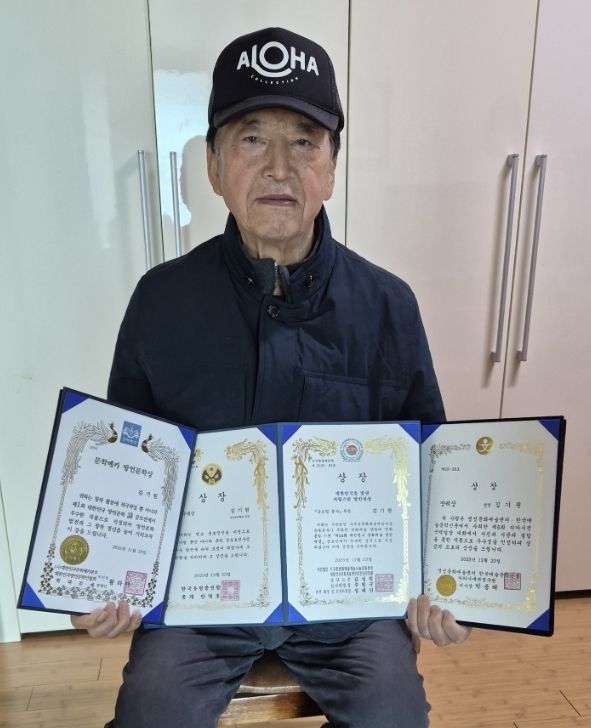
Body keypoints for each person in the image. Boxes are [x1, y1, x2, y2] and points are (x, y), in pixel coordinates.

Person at [71, 27, 471, 728]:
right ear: (213, 164)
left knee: (393, 715)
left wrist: (451, 587)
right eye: (252, 139)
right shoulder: (161, 301)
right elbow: (123, 465)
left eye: (305, 142)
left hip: (349, 605)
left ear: (332, 167)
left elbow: (436, 469)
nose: (279, 167)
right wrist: (99, 576)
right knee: (151, 711)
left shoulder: (388, 305)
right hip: (200, 603)